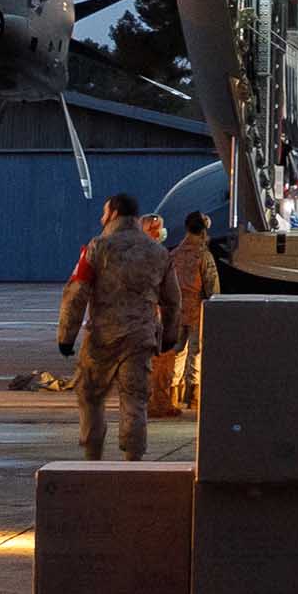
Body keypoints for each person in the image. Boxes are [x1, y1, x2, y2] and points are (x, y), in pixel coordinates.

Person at [55, 193, 179, 461]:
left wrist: (66, 336)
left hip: (103, 338)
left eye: (104, 212)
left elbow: (76, 293)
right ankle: (133, 462)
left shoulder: (97, 248)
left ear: (112, 213)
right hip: (140, 339)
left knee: (90, 395)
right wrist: (169, 336)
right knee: (135, 400)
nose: (101, 218)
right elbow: (172, 300)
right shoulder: (159, 252)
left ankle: (92, 457)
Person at [163, 210, 216, 414]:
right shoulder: (204, 256)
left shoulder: (173, 254)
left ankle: (171, 394)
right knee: (197, 353)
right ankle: (193, 397)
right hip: (197, 311)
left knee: (175, 353)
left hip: (175, 311)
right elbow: (212, 287)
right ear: (203, 231)